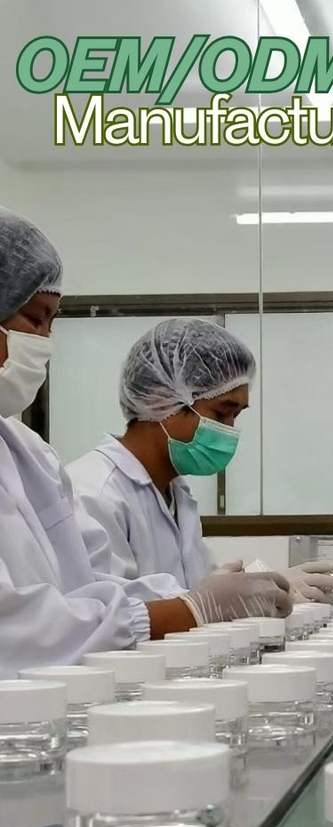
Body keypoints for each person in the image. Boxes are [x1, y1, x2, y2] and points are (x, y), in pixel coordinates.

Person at [0, 207, 292, 677]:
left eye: (52, 324)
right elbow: (20, 632)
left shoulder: (28, 453)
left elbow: (86, 589)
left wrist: (228, 593)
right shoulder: (96, 490)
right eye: (36, 320)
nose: (45, 343)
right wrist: (194, 607)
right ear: (167, 402)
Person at [67, 318, 333, 602]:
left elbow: (198, 589)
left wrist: (267, 584)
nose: (229, 430)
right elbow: (106, 609)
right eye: (221, 413)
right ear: (163, 400)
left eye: (236, 416)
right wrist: (229, 598)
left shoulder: (176, 494)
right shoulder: (93, 494)